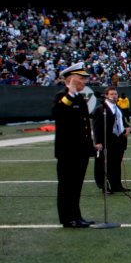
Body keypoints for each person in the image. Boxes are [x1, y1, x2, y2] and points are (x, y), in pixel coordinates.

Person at [52, 62, 95, 228]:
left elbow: (85, 125)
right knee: (66, 186)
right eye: (81, 78)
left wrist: (90, 147)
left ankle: (76, 216)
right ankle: (67, 218)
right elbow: (57, 113)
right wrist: (69, 94)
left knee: (76, 186)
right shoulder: (62, 97)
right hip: (67, 151)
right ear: (71, 79)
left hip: (80, 151)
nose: (84, 82)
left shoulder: (79, 98)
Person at [93, 86, 131, 194]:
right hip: (107, 140)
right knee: (104, 164)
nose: (114, 96)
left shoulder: (118, 107)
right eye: (111, 94)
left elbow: (122, 123)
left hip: (119, 140)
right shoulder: (100, 109)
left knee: (116, 164)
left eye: (115, 94)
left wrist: (129, 128)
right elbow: (96, 127)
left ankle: (116, 185)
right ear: (106, 95)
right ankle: (104, 186)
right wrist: (98, 142)